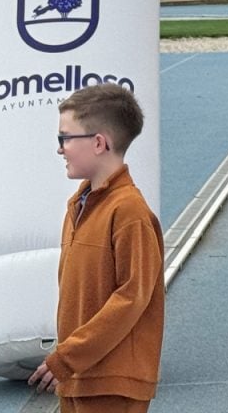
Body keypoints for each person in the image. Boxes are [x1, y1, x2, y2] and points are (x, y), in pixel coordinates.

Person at [29, 83, 165, 409]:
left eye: (65, 138)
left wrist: (70, 356)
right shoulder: (78, 205)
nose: (60, 148)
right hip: (78, 378)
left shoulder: (129, 211)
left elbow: (131, 297)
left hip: (112, 382)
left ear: (99, 142)